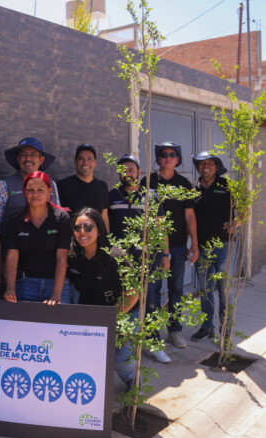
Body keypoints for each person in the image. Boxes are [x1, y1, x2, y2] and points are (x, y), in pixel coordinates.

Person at [108, 154, 171, 364]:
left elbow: (161, 229)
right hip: (120, 264)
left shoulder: (151, 196)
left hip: (147, 261)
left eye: (131, 169)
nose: (128, 173)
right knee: (124, 303)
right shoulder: (112, 196)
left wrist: (165, 255)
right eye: (124, 169)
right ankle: (125, 344)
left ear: (139, 172)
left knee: (150, 303)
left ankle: (153, 345)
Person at [67, 208, 138, 388]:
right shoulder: (73, 256)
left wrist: (112, 317)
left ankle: (133, 384)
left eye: (88, 227)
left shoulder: (116, 254)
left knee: (121, 358)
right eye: (77, 228)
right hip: (91, 311)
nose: (82, 232)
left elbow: (132, 295)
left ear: (99, 229)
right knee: (89, 356)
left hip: (123, 311)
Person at [140, 142, 199, 349]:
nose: (167, 157)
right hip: (154, 247)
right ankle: (154, 333)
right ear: (158, 157)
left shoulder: (184, 183)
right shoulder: (148, 181)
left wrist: (195, 244)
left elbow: (190, 215)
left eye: (172, 154)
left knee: (176, 289)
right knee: (153, 290)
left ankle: (175, 331)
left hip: (179, 246)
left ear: (178, 158)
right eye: (163, 154)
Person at [3, 171, 73, 305]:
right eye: (30, 190)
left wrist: (56, 294)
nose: (35, 195)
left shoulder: (61, 218)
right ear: (24, 192)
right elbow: (12, 256)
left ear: (49, 191)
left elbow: (62, 257)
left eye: (40, 190)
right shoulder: (16, 220)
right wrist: (10, 288)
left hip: (55, 284)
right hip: (24, 285)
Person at [191, 152, 235, 342]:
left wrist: (236, 223)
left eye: (209, 163)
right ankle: (207, 327)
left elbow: (246, 210)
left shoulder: (228, 186)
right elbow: (188, 218)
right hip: (201, 248)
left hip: (223, 246)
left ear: (217, 167)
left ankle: (225, 329)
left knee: (224, 290)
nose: (205, 166)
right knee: (205, 290)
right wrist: (192, 246)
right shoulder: (193, 189)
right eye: (201, 163)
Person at [0, 137, 60, 234]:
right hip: (13, 247)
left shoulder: (51, 185)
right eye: (24, 155)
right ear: (18, 159)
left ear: (41, 160)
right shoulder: (3, 186)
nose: (28, 159)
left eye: (33, 155)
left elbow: (58, 219)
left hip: (47, 246)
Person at [57, 144, 110, 231]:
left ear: (95, 163)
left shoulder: (102, 186)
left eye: (89, 159)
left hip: (96, 241)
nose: (85, 162)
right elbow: (59, 217)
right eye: (81, 159)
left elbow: (104, 217)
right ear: (75, 162)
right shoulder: (63, 185)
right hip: (71, 240)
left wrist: (107, 241)